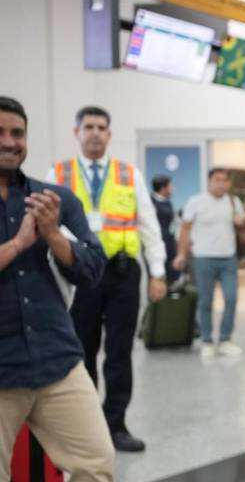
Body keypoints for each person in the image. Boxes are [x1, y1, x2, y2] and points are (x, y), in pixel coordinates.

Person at [0, 97, 114, 481]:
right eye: (0, 132)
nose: (10, 141)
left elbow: (93, 268)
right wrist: (17, 244)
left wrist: (51, 234)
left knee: (96, 464)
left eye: (17, 133)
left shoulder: (52, 200)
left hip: (57, 360)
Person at [46, 105, 167, 453]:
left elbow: (149, 226)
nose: (96, 132)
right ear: (77, 132)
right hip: (79, 275)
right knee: (81, 351)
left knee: (119, 353)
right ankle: (87, 427)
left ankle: (116, 425)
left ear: (109, 134)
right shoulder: (58, 173)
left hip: (122, 273)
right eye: (89, 127)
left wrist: (157, 272)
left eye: (102, 127)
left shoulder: (129, 174)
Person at [173, 168, 245, 358]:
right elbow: (185, 229)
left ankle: (225, 339)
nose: (221, 184)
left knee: (231, 299)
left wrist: (240, 221)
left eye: (224, 180)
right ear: (209, 182)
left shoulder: (233, 201)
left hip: (228, 258)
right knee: (206, 301)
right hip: (203, 257)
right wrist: (181, 254)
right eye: (217, 180)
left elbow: (242, 223)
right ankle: (206, 340)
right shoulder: (196, 202)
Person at [151, 175, 180, 286]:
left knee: (171, 277)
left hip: (170, 244)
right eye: (170, 186)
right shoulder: (151, 202)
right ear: (163, 188)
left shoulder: (168, 202)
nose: (172, 189)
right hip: (157, 244)